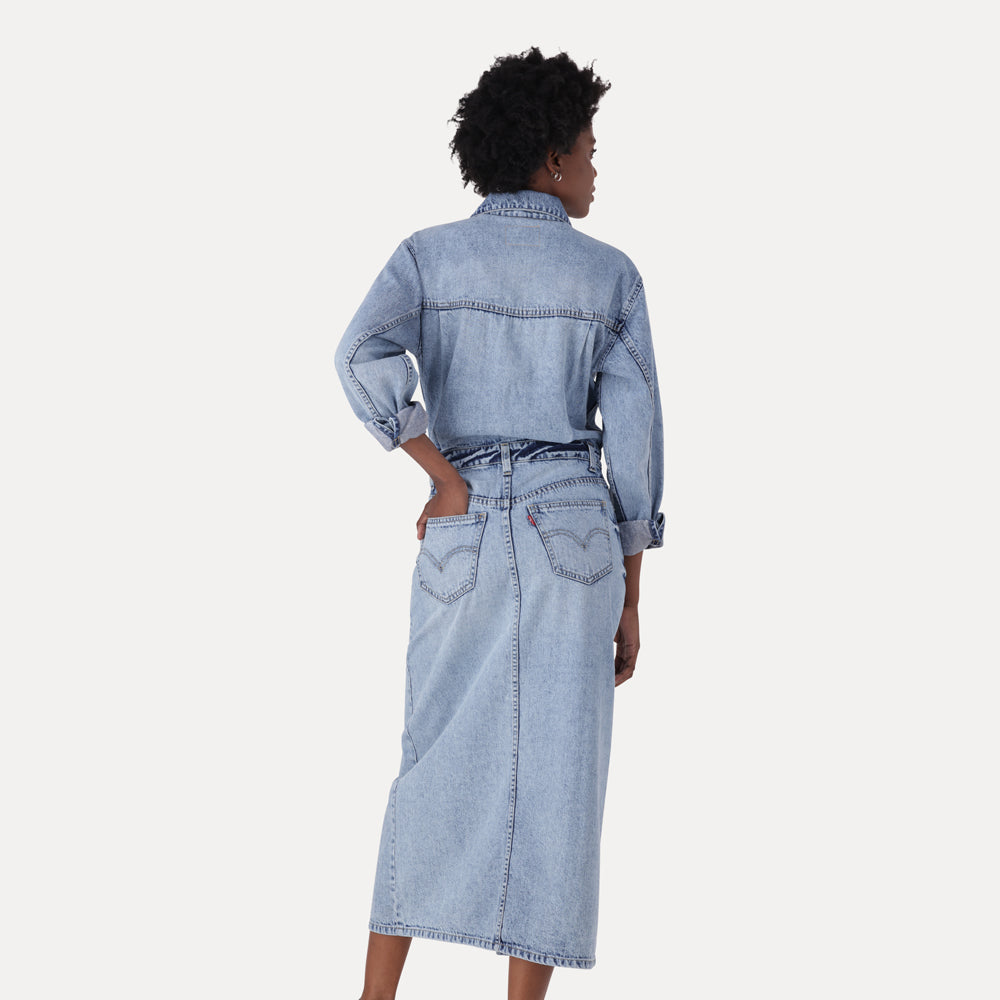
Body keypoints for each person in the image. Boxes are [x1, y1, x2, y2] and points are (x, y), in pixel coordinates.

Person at [334, 46, 665, 1000]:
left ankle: (375, 996)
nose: (596, 168)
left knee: (430, 756)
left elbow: (357, 354)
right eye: (590, 149)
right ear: (552, 159)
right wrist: (632, 595)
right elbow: (635, 444)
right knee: (561, 778)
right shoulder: (610, 276)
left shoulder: (427, 256)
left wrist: (441, 475)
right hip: (574, 532)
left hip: (464, 528)